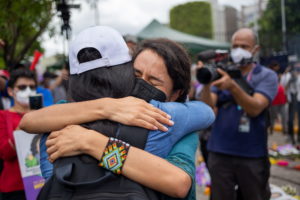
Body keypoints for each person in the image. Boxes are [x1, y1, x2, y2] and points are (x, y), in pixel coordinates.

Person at [20, 26, 214, 199]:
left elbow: (179, 183)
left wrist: (91, 143)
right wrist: (108, 107)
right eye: (136, 74)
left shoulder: (165, 118)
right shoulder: (75, 111)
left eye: (154, 82)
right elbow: (30, 121)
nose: (142, 84)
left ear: (176, 94)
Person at [200, 28, 278, 200]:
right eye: (235, 46)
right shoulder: (222, 73)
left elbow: (255, 108)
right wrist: (206, 83)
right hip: (219, 152)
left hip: (252, 154)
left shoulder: (266, 76)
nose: (238, 49)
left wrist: (232, 87)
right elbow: (207, 107)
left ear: (255, 49)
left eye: (244, 46)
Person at [0, 69, 37, 200]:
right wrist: (24, 124)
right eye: (22, 87)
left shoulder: (42, 114)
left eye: (32, 87)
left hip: (40, 182)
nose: (28, 90)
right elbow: (5, 153)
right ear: (11, 91)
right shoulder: (3, 116)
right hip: (14, 188)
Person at [281, 62, 300, 144]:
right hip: (291, 100)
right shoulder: (287, 77)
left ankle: (299, 137)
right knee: (290, 119)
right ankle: (290, 136)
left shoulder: (299, 78)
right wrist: (286, 75)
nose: (294, 72)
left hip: (298, 99)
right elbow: (283, 86)